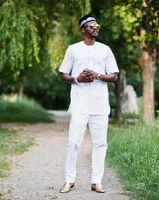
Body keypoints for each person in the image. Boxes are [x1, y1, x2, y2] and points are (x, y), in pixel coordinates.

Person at [59, 13, 119, 193]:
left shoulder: (105, 49)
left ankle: (96, 182)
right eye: (91, 26)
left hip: (100, 105)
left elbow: (114, 76)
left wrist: (98, 75)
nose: (95, 28)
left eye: (97, 25)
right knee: (73, 142)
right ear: (83, 29)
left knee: (100, 143)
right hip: (79, 104)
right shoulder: (73, 49)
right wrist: (78, 79)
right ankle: (69, 180)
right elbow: (63, 75)